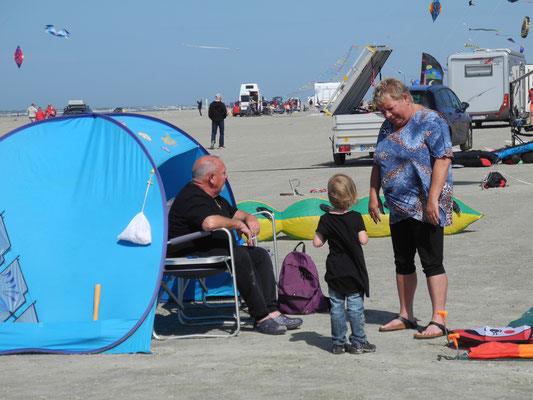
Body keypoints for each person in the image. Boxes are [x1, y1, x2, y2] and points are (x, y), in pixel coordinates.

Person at [167, 155, 303, 335]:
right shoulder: (191, 196)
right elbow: (209, 223)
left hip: (209, 251)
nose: (227, 177)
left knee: (259, 255)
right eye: (224, 173)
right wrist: (238, 225)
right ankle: (261, 317)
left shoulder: (215, 197)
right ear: (212, 177)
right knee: (239, 256)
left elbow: (234, 212)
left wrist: (249, 218)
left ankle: (272, 311)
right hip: (189, 256)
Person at [369, 77, 453, 339]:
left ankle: (438, 320)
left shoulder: (432, 121)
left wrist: (432, 199)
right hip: (398, 207)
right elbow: (378, 161)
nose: (388, 114)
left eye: (391, 108)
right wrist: (373, 194)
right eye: (383, 110)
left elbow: (443, 160)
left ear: (406, 98)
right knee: (402, 261)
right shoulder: (387, 126)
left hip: (425, 205)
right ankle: (406, 314)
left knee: (431, 262)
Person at [313, 174, 375, 355]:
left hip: (335, 270)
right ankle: (358, 341)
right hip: (354, 270)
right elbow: (363, 240)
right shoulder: (356, 217)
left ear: (330, 197)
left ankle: (338, 343)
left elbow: (317, 242)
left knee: (337, 307)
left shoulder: (326, 219)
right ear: (352, 195)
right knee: (355, 308)